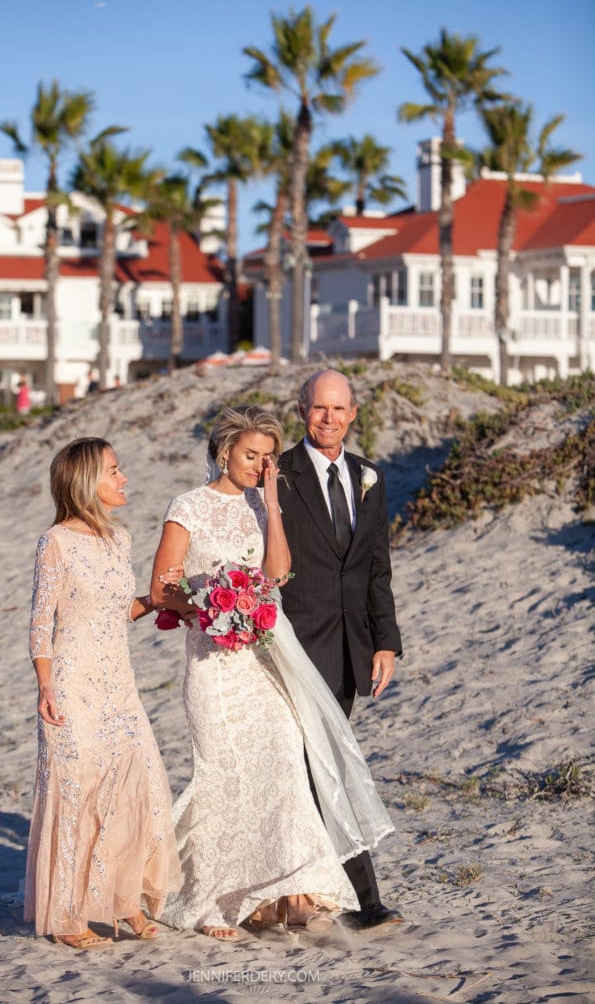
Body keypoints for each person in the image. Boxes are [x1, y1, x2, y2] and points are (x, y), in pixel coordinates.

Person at [149, 406, 394, 941]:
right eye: (250, 455)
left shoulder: (264, 504)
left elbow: (278, 573)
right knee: (222, 772)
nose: (260, 464)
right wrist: (209, 604)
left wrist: (275, 505)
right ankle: (214, 899)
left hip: (263, 660)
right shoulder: (187, 506)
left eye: (266, 457)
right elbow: (163, 586)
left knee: (283, 759)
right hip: (211, 661)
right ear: (224, 451)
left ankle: (287, 895)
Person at [25, 437, 182, 949]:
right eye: (114, 471)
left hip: (120, 684)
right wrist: (46, 687)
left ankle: (125, 898)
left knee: (139, 786)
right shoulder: (55, 543)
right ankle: (68, 915)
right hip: (71, 685)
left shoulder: (121, 539)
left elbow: (117, 613)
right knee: (77, 796)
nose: (124, 479)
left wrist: (160, 602)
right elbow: (40, 624)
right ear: (86, 480)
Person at [277, 368, 403, 931]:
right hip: (293, 646)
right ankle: (363, 900)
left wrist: (385, 642)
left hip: (352, 649)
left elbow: (376, 566)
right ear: (302, 410)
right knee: (326, 767)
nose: (328, 418)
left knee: (320, 768)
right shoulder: (277, 474)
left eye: (338, 409)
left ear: (353, 413)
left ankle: (314, 892)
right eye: (317, 408)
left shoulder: (369, 477)